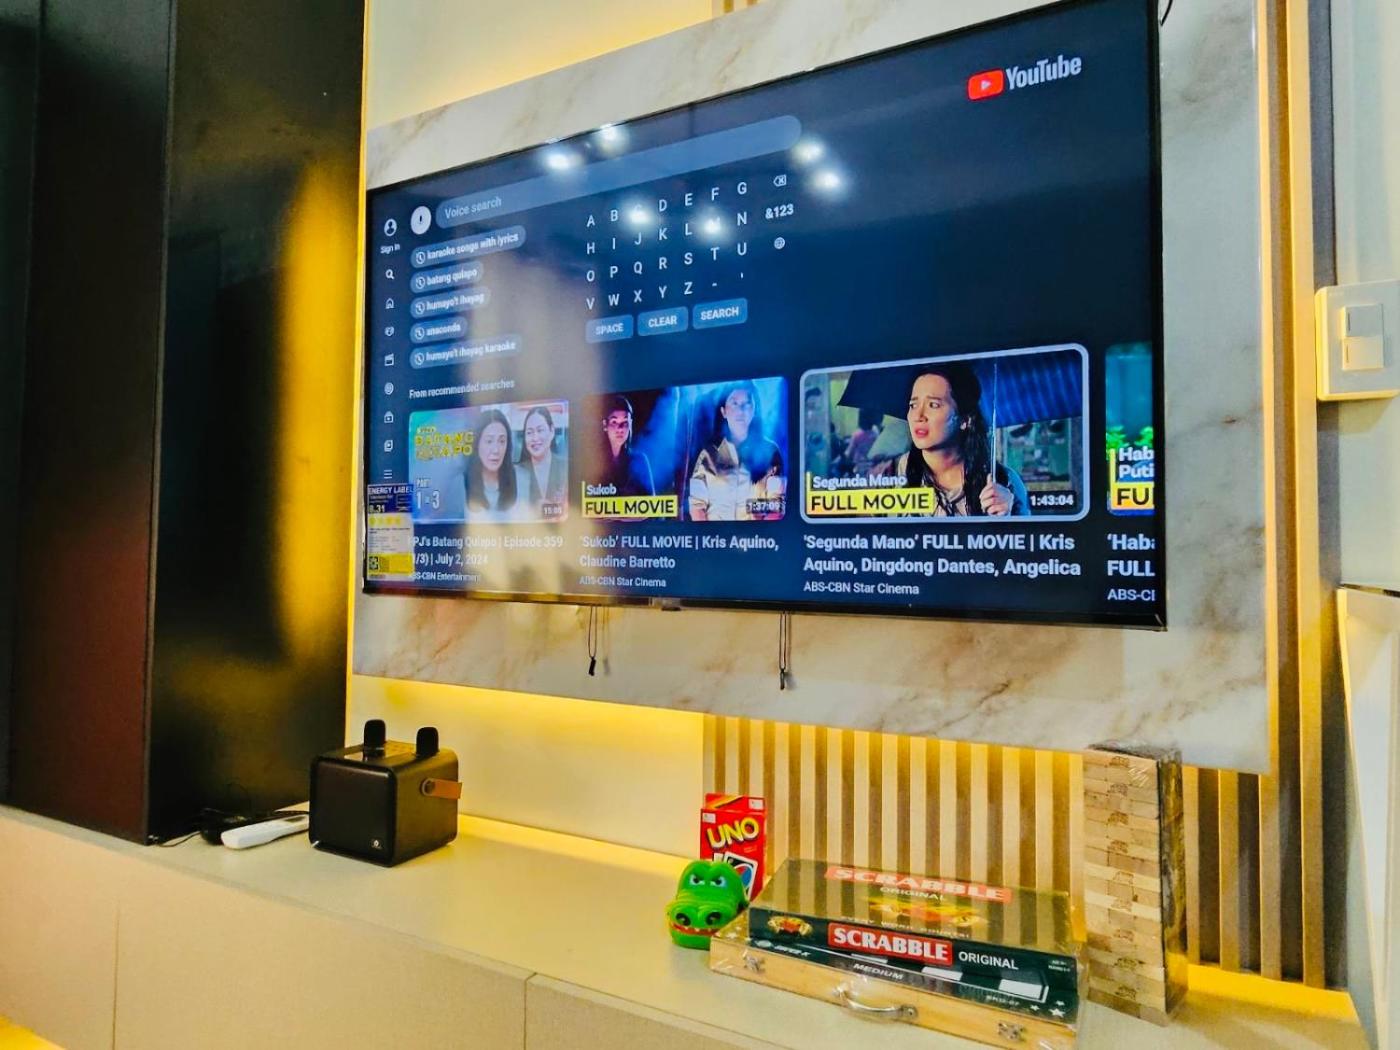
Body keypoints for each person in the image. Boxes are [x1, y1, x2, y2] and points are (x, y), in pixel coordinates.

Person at [892, 363, 1028, 516]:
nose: (918, 416)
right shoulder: (891, 476)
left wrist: (1006, 519)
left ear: (965, 420)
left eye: (933, 405)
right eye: (913, 405)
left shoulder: (1003, 483)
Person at [688, 381, 785, 521]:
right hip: (715, 534)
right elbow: (696, 506)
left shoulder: (770, 452)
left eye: (747, 403)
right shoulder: (708, 453)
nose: (741, 410)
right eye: (734, 403)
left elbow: (777, 506)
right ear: (723, 411)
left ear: (754, 410)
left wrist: (759, 529)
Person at [465, 408, 518, 519]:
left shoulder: (522, 478)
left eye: (502, 441)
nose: (496, 450)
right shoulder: (461, 484)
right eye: (489, 441)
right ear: (477, 444)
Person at [516, 404, 568, 519]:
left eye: (540, 430)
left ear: (552, 431)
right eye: (529, 432)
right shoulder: (516, 473)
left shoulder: (567, 468)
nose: (535, 438)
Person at [598, 395, 656, 496]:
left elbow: (652, 502)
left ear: (630, 424)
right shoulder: (595, 462)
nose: (620, 428)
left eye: (625, 422)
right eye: (614, 422)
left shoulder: (639, 461)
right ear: (605, 425)